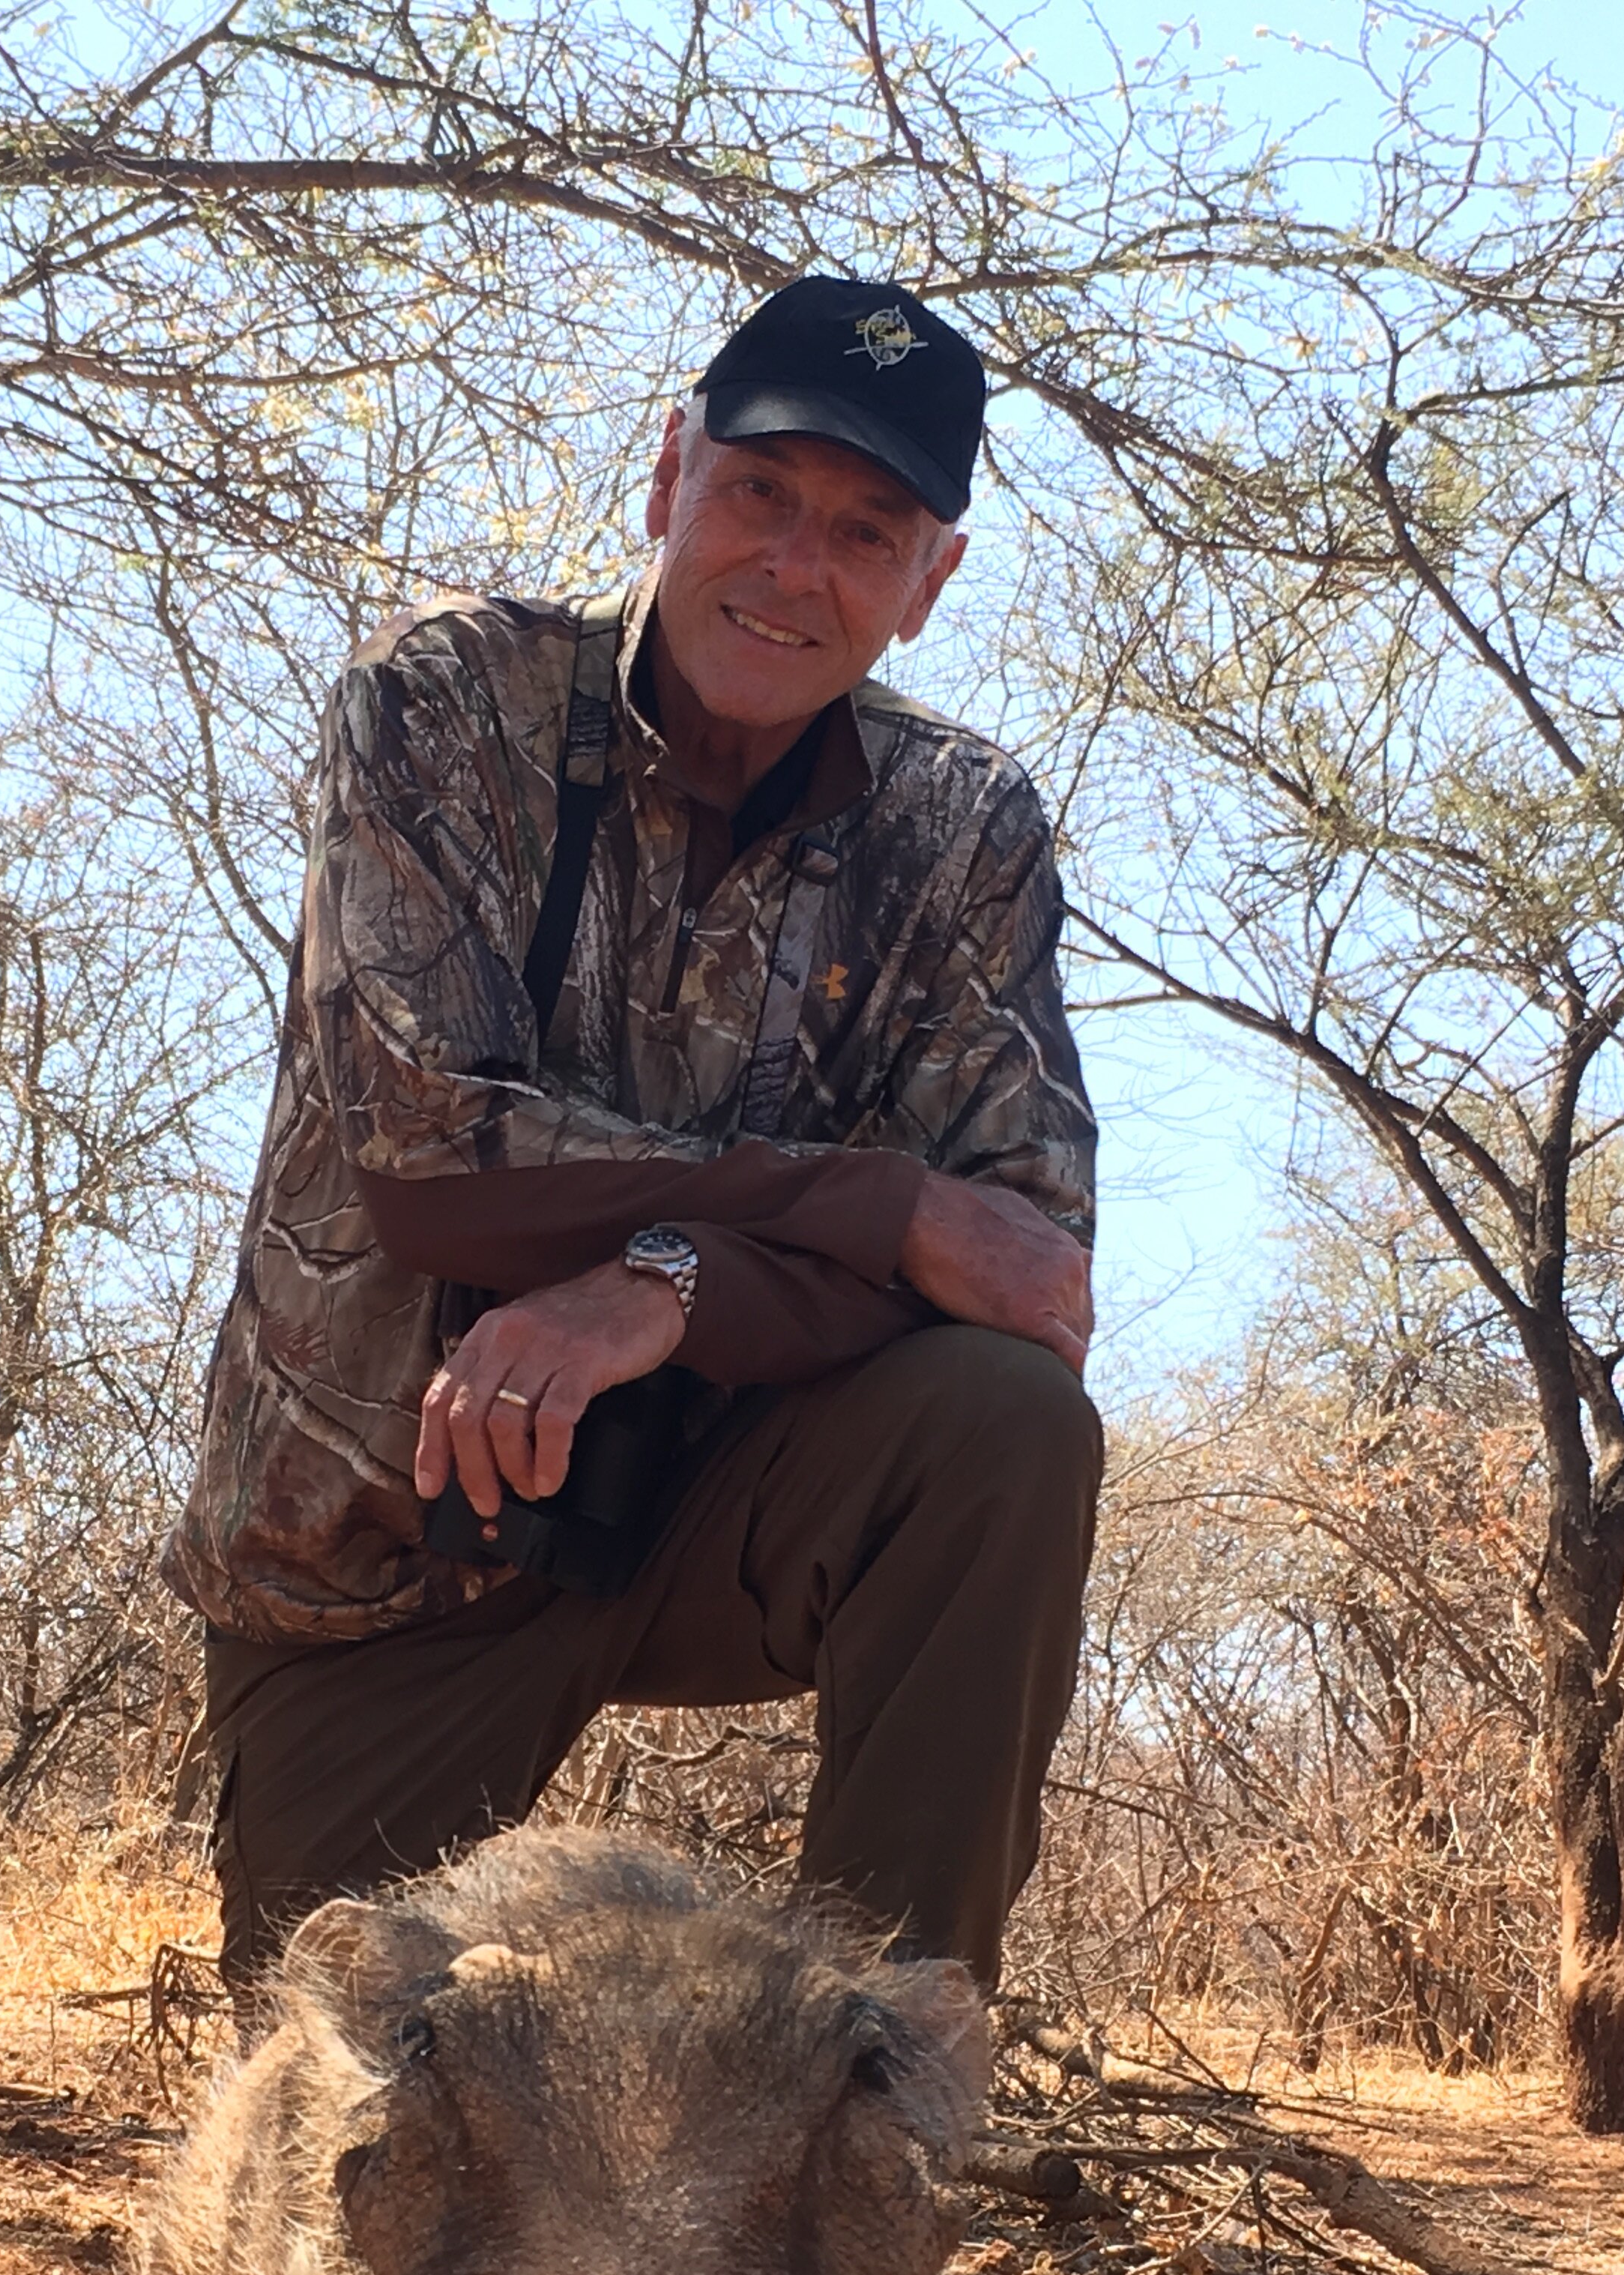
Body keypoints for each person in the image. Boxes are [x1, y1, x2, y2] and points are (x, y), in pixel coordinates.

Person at [165, 275, 1103, 2038]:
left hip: (719, 1504)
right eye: (760, 493)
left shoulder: (968, 826)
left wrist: (660, 1287)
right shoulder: (438, 701)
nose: (794, 565)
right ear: (669, 476)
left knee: (1005, 1424)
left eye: (864, 528)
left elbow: (1030, 1273)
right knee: (343, 2105)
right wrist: (873, 1207)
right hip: (377, 1559)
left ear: (930, 582)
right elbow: (432, 1157)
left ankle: (883, 2108)